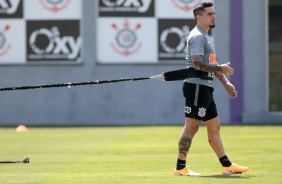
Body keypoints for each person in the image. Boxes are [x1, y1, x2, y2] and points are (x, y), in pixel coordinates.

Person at [173, 2, 248, 176]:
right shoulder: (197, 36)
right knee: (191, 128)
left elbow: (212, 65)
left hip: (205, 88)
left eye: (214, 13)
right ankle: (180, 167)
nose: (214, 16)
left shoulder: (206, 37)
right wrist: (220, 69)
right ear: (199, 17)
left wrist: (226, 83)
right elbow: (198, 64)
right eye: (209, 14)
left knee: (214, 127)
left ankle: (227, 166)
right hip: (196, 87)